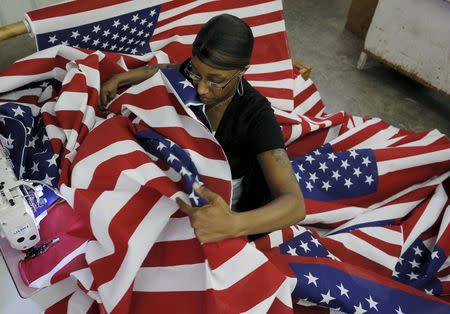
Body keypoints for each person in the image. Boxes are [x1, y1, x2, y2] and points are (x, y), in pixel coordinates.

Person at [100, 14, 305, 243]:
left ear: (242, 71)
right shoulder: (192, 72)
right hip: (181, 188)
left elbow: (295, 205)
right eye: (196, 74)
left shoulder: (257, 116)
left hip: (225, 210)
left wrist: (234, 224)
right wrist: (121, 79)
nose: (201, 89)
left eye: (216, 81)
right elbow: (170, 70)